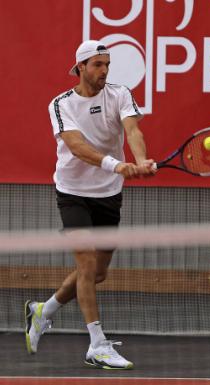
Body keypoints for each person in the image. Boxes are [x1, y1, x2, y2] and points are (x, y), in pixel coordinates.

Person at [25, 40, 155, 369]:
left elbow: (133, 131)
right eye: (98, 64)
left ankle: (44, 310)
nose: (104, 71)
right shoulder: (61, 104)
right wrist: (117, 165)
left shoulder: (120, 94)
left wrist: (140, 160)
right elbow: (77, 146)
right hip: (73, 193)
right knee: (85, 265)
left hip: (108, 194)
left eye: (107, 65)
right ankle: (96, 344)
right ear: (80, 67)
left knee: (97, 273)